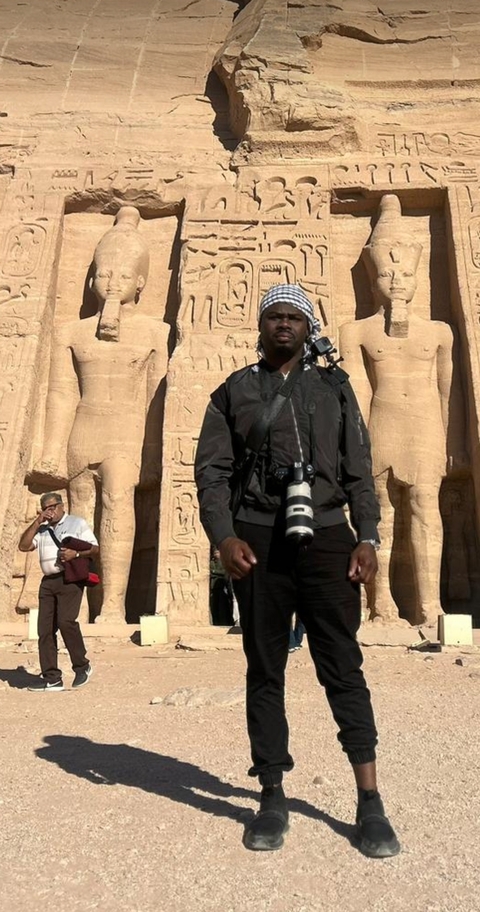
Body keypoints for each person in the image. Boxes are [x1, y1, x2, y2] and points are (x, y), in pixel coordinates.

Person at [195, 283, 400, 858]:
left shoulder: (334, 386)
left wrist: (368, 537)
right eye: (274, 316)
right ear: (260, 326)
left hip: (329, 534)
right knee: (265, 668)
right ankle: (272, 793)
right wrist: (223, 536)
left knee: (343, 666)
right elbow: (211, 473)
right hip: (258, 537)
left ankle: (370, 799)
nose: (283, 324)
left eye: (294, 317)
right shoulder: (234, 390)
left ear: (309, 328)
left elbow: (359, 469)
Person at [38, 206, 169, 622]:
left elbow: (156, 397)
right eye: (104, 274)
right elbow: (61, 393)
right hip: (84, 430)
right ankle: (79, 603)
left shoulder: (155, 332)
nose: (112, 283)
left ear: (140, 283)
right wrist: (52, 448)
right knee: (79, 517)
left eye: (123, 275)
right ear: (93, 279)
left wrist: (153, 453)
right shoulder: (71, 332)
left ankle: (113, 605)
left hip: (127, 432)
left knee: (118, 504)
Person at [339, 193, 465, 624]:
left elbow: (448, 392)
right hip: (381, 425)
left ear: (418, 278)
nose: (396, 280)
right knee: (380, 515)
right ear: (373, 278)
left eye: (405, 273)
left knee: (427, 511)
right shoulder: (356, 332)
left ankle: (429, 605)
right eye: (387, 273)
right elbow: (355, 394)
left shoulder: (440, 332)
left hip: (426, 429)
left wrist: (454, 443)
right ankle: (381, 603)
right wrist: (353, 447)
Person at [18, 492, 99, 692]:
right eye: (45, 508)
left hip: (69, 579)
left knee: (66, 622)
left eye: (52, 507)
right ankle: (52, 678)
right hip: (48, 581)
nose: (50, 511)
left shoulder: (76, 523)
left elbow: (95, 549)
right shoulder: (42, 529)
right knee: (44, 630)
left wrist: (76, 553)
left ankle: (82, 666)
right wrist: (37, 522)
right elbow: (23, 546)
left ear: (62, 506)